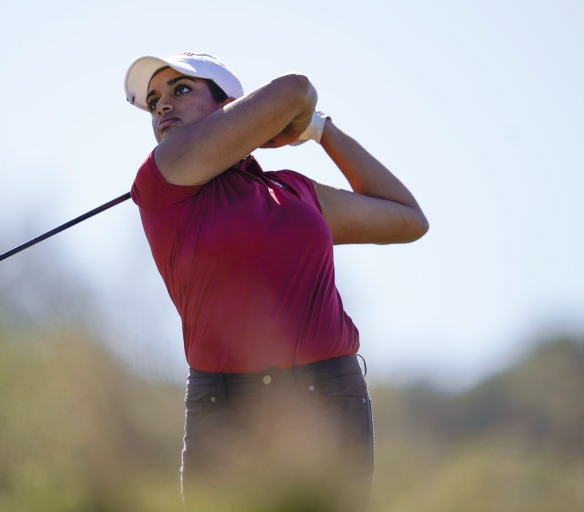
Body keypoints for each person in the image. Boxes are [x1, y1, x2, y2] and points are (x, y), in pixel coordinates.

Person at [124, 52, 428, 511]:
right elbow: (295, 91)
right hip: (223, 410)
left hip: (326, 399)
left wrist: (321, 131)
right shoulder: (161, 177)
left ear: (228, 104)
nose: (162, 106)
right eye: (153, 101)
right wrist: (273, 122)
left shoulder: (294, 191)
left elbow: (408, 220)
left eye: (181, 89)